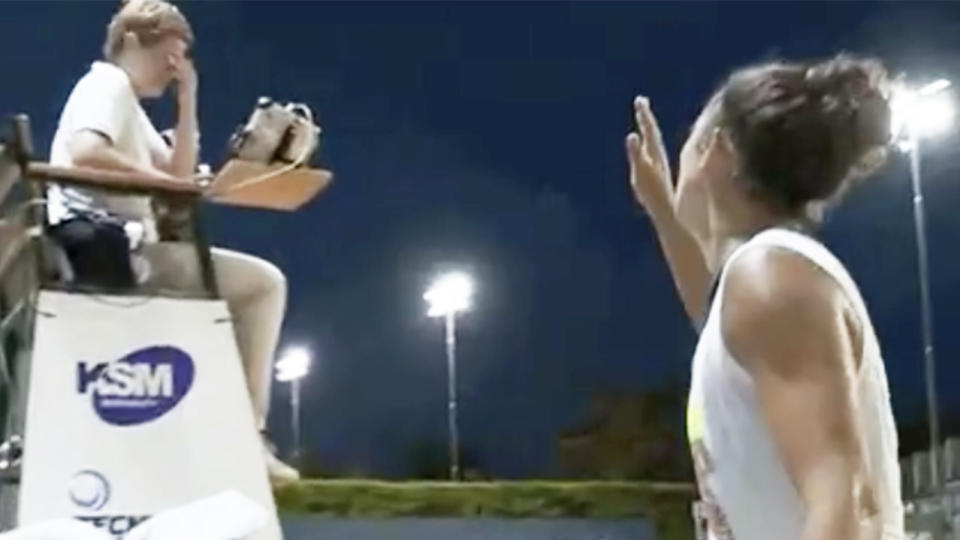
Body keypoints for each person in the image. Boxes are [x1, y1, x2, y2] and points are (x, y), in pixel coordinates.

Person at [627, 54, 904, 539]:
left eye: (688, 138)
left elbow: (842, 502)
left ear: (716, 151)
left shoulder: (771, 278)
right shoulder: (756, 284)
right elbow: (714, 323)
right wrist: (662, 212)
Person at [46, 0, 299, 485]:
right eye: (168, 56)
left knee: (250, 284)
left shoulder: (132, 110)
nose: (173, 68)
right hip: (111, 248)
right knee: (264, 285)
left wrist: (189, 100)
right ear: (133, 42)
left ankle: (233, 433)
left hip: (130, 246)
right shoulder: (108, 84)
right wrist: (157, 184)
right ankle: (248, 436)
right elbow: (86, 151)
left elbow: (179, 173)